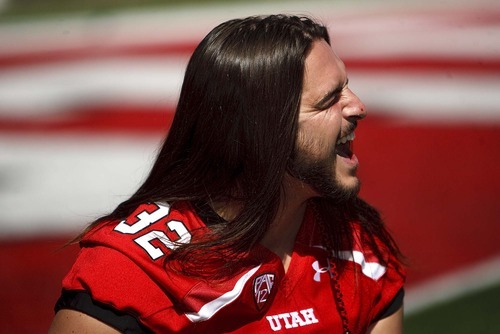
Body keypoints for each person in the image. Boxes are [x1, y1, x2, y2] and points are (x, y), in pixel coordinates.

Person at [49, 14, 405, 334]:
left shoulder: (358, 248)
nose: (359, 106)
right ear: (261, 131)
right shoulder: (132, 273)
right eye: (329, 99)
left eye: (347, 85)